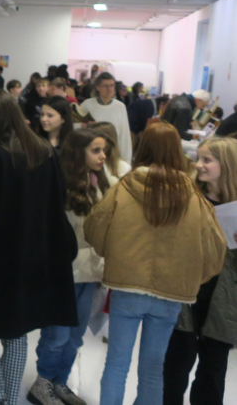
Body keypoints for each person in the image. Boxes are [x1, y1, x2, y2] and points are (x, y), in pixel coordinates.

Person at [85, 122, 226, 405]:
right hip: (171, 293)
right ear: (176, 151)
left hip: (126, 284)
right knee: (153, 369)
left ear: (143, 147)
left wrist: (113, 254)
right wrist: (192, 277)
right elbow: (215, 250)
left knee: (116, 363)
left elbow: (94, 229)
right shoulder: (193, 196)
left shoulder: (125, 186)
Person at [0, 89, 77, 405]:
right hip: (33, 261)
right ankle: (8, 398)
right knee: (16, 332)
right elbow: (57, 207)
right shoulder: (44, 151)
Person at [28, 128, 113, 405]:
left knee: (75, 336)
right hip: (61, 272)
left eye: (103, 150)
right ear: (78, 153)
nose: (103, 156)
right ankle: (42, 384)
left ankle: (59, 382)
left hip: (91, 272)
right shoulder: (58, 184)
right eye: (96, 150)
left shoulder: (103, 183)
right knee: (56, 335)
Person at [163, 137, 237, 405]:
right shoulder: (188, 197)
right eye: (198, 158)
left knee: (213, 369)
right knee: (176, 363)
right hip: (186, 292)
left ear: (226, 165)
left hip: (224, 300)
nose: (199, 165)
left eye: (207, 160)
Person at [77, 72, 133, 163]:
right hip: (92, 154)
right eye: (105, 86)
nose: (109, 89)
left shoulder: (120, 107)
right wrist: (84, 125)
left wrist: (126, 161)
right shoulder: (87, 105)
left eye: (111, 85)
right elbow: (75, 127)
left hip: (112, 154)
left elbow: (124, 135)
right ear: (97, 87)